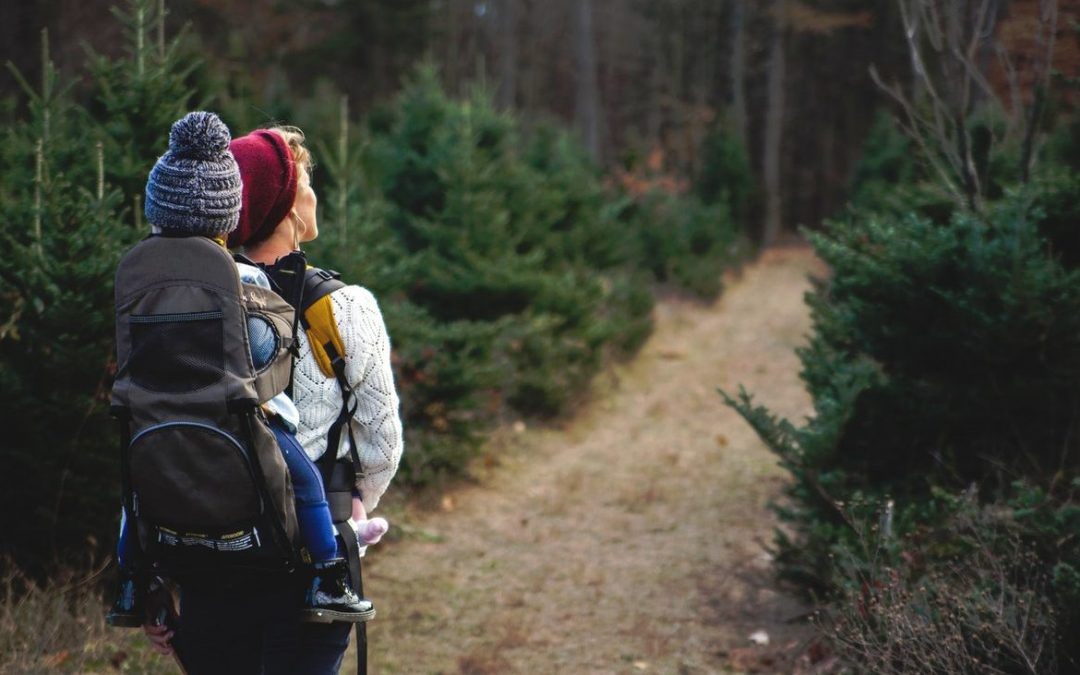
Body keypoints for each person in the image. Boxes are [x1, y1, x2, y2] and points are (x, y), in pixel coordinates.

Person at [144, 121, 403, 674]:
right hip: (311, 568)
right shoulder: (345, 308)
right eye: (306, 181)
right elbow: (382, 442)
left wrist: (153, 571)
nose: (314, 193)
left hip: (208, 559)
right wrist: (349, 518)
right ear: (287, 206)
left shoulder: (190, 305)